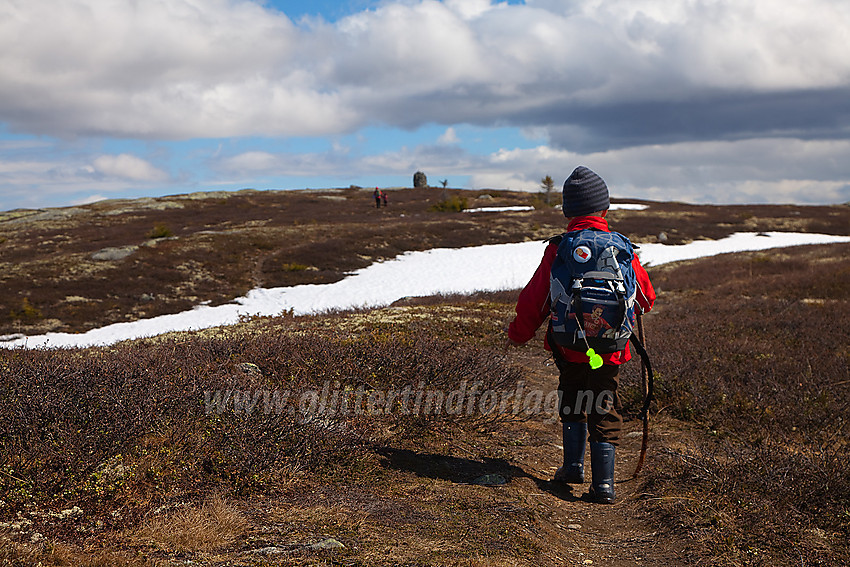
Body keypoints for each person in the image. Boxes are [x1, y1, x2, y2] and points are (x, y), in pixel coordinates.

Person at [505, 166, 655, 504]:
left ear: (567, 212)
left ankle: (572, 466)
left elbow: (536, 298)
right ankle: (604, 485)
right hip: (611, 348)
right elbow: (646, 297)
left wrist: (519, 333)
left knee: (572, 395)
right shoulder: (621, 249)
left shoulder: (560, 249)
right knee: (604, 401)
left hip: (569, 345)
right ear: (605, 210)